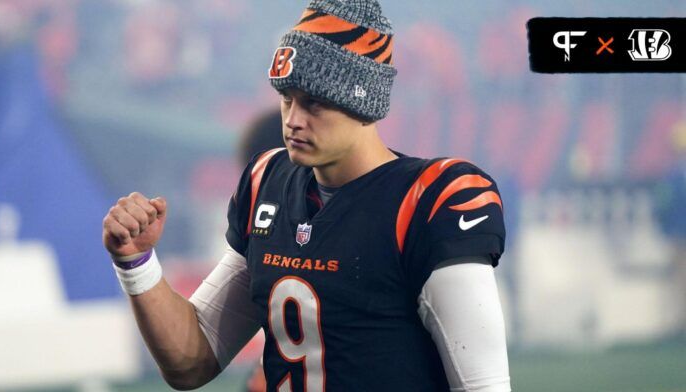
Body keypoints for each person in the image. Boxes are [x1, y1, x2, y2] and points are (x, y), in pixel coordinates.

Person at [102, 1, 511, 391]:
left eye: (313, 103)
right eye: (286, 99)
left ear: (363, 101)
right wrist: (137, 262)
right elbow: (193, 359)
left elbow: (483, 386)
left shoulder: (430, 200)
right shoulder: (268, 181)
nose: (293, 120)